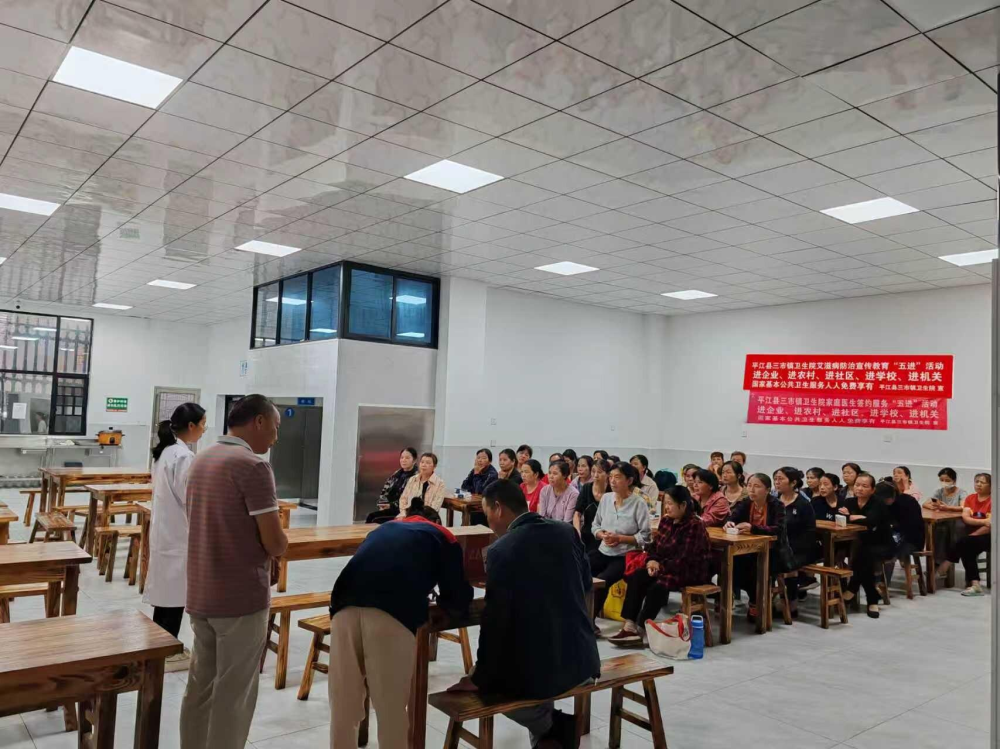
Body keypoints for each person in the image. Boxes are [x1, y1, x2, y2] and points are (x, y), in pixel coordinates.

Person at [448, 480, 600, 749]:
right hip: (584, 660)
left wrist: (478, 677)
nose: (489, 523)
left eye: (487, 514)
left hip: (546, 669)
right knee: (530, 655)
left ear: (498, 508)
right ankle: (548, 738)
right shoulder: (566, 532)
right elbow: (587, 582)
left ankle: (551, 726)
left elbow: (494, 623)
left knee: (491, 684)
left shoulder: (502, 550)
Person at [180, 394, 288, 749]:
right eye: (275, 427)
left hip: (201, 593)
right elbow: (274, 542)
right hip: (240, 598)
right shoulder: (252, 466)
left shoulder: (202, 459)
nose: (275, 437)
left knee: (201, 686)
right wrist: (282, 542)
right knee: (234, 694)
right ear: (259, 421)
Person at [329, 504, 473, 749]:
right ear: (436, 521)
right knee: (390, 709)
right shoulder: (443, 535)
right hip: (391, 613)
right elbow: (458, 596)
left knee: (344, 703)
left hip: (343, 607)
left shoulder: (383, 529)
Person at [145, 402, 206, 669]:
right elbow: (189, 497)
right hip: (178, 533)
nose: (204, 430)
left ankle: (161, 643)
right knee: (175, 593)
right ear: (191, 426)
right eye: (202, 424)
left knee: (167, 592)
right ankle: (168, 649)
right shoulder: (183, 456)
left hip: (166, 532)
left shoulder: (166, 453)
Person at [610, 486, 711, 645]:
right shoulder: (666, 521)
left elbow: (684, 559)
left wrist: (659, 567)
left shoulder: (695, 525)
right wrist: (651, 561)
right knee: (637, 576)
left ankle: (641, 628)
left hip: (688, 571)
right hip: (665, 567)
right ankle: (629, 626)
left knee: (658, 586)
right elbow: (654, 547)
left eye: (670, 504)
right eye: (665, 503)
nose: (667, 507)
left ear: (683, 505)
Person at [590, 462, 651, 630]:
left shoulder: (639, 503)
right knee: (581, 569)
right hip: (603, 550)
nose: (612, 481)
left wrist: (621, 538)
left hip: (625, 556)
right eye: (610, 477)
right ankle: (578, 615)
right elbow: (595, 525)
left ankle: (590, 621)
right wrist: (602, 535)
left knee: (602, 580)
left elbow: (646, 537)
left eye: (617, 477)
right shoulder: (606, 498)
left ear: (629, 480)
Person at [727, 474, 787, 621]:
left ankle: (756, 601)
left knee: (754, 567)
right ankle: (735, 599)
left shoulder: (776, 505)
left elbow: (778, 529)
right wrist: (729, 523)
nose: (752, 490)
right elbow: (733, 517)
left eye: (757, 486)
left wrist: (753, 528)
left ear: (767, 489)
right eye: (749, 485)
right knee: (730, 564)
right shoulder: (746, 502)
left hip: (774, 552)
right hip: (749, 549)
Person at [839, 472, 891, 619]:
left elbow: (872, 521)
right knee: (861, 554)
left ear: (872, 489)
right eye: (857, 485)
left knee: (864, 556)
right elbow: (841, 517)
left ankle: (856, 591)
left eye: (864, 486)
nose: (860, 488)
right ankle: (871, 597)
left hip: (882, 543)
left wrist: (852, 517)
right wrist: (857, 517)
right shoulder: (849, 502)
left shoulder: (878, 503)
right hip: (857, 542)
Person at [773, 467, 819, 612]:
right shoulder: (774, 501)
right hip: (777, 546)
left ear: (793, 483)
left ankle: (791, 602)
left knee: (787, 563)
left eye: (781, 479)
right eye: (775, 479)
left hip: (801, 549)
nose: (777, 482)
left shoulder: (803, 504)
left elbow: (810, 532)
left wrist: (789, 547)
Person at [938, 473, 992, 596]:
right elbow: (966, 518)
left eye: (982, 482)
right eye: (977, 481)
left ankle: (946, 564)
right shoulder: (970, 498)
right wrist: (984, 522)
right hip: (972, 537)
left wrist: (972, 535)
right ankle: (975, 585)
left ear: (990, 485)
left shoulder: (994, 500)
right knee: (966, 547)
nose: (978, 484)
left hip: (990, 537)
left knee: (964, 543)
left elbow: (990, 527)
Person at [881, 480, 924, 580]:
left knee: (888, 551)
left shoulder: (908, 502)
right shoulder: (882, 503)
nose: (884, 502)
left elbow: (911, 527)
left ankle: (882, 583)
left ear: (893, 495)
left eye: (886, 499)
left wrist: (891, 527)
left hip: (910, 539)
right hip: (892, 536)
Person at [367, 447, 419, 524]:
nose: (403, 460)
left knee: (375, 520)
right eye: (402, 457)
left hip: (404, 510)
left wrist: (391, 505)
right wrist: (383, 504)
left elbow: (409, 499)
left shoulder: (416, 477)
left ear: (414, 460)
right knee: (371, 516)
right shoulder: (396, 474)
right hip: (390, 508)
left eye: (407, 458)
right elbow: (385, 490)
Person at [574, 459, 610, 552]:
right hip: (587, 534)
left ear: (608, 474)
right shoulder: (586, 488)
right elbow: (577, 513)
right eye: (593, 471)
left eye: (600, 472)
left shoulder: (612, 490)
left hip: (607, 536)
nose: (595, 475)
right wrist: (577, 532)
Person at [398, 452, 448, 517]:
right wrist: (405, 513)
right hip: (407, 515)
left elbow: (435, 507)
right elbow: (403, 499)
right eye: (422, 462)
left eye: (428, 463)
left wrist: (420, 517)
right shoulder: (412, 479)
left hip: (427, 518)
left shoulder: (439, 483)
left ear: (434, 466)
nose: (424, 465)